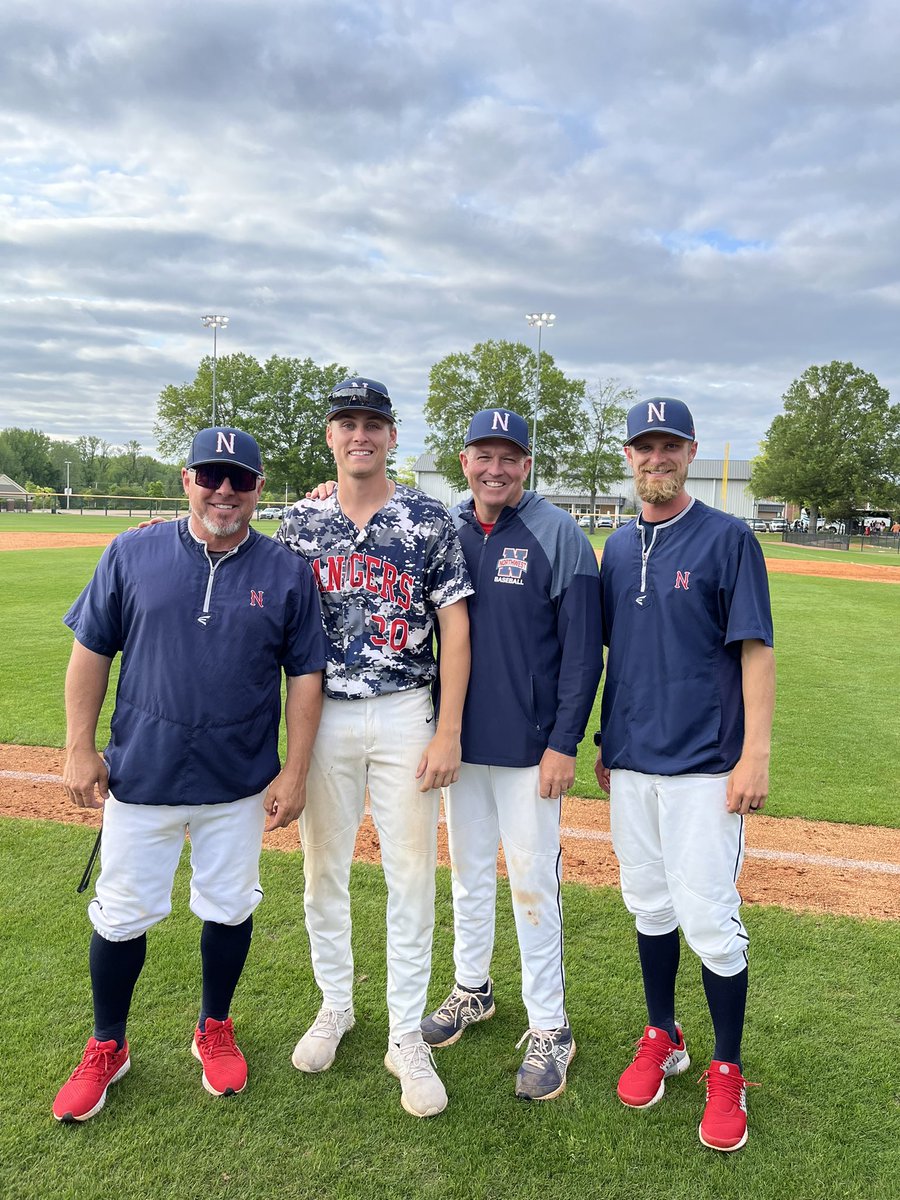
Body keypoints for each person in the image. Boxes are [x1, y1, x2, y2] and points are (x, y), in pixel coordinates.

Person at [52, 428, 326, 1123]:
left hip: (237, 782)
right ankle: (108, 1043)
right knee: (120, 917)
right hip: (142, 774)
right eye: (211, 476)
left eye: (239, 478)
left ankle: (215, 1025)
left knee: (229, 907)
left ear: (260, 488)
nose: (224, 490)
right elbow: (90, 651)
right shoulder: (132, 551)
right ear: (187, 480)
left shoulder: (287, 571)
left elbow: (305, 678)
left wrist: (294, 771)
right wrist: (78, 748)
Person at [275, 378, 472, 1119]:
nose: (361, 435)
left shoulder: (427, 518)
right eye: (347, 423)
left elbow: (455, 625)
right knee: (322, 868)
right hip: (322, 716)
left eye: (374, 424)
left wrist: (448, 727)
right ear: (330, 436)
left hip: (403, 713)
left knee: (411, 876)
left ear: (393, 436)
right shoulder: (301, 520)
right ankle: (335, 1004)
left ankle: (404, 1035)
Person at [593, 398, 775, 1153]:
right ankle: (663, 1035)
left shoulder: (728, 538)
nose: (655, 458)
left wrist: (754, 754)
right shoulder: (613, 545)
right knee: (648, 904)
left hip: (706, 764)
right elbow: (615, 654)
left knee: (709, 917)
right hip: (632, 760)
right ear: (629, 457)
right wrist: (606, 741)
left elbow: (755, 650)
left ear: (690, 452)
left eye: (668, 446)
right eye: (644, 447)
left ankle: (726, 1066)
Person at [420, 408, 604, 1102]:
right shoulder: (445, 527)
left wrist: (564, 743)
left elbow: (584, 654)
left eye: (510, 457)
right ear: (464, 459)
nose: (495, 468)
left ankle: (551, 1026)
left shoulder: (559, 534)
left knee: (533, 884)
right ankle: (473, 988)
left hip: (532, 751)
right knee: (469, 876)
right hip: (460, 745)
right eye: (482, 455)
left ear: (527, 464)